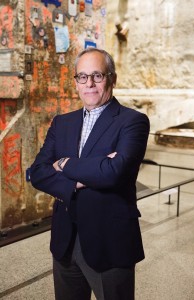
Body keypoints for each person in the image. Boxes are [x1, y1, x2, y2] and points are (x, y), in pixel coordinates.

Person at [30, 48, 150, 300]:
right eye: (82, 77)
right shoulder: (62, 122)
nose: (90, 84)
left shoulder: (133, 121)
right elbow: (38, 172)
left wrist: (62, 163)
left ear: (112, 78)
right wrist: (81, 179)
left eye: (97, 75)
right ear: (75, 82)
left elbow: (113, 173)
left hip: (110, 243)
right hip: (65, 242)